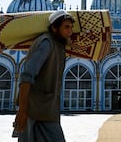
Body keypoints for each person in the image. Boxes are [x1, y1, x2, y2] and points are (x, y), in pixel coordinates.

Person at [13, 10, 75, 142]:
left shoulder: (58, 44)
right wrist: (22, 111)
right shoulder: (46, 43)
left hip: (47, 110)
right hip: (34, 110)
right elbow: (26, 77)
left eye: (71, 27)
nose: (70, 31)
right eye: (66, 27)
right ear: (54, 27)